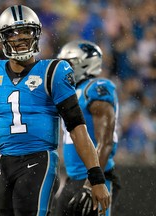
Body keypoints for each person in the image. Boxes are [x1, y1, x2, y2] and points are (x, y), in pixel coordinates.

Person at [0, 5, 110, 216]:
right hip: (5, 162)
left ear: (37, 34)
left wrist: (96, 177)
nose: (21, 38)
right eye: (13, 33)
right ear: (3, 38)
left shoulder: (54, 71)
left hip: (39, 159)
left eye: (26, 31)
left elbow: (77, 128)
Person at [56, 40, 121, 216]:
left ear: (86, 63)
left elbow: (105, 142)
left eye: (69, 64)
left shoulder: (95, 88)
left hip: (95, 178)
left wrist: (92, 182)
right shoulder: (70, 92)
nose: (65, 70)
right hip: (73, 178)